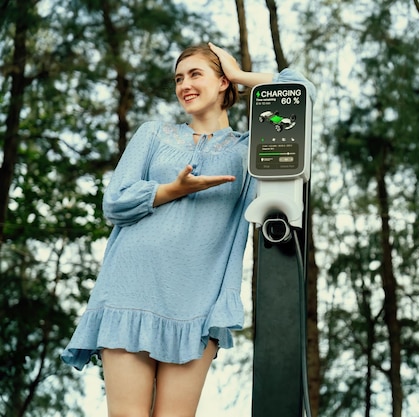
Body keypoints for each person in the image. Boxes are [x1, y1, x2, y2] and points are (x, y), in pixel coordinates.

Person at [61, 43, 316, 417]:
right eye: (179, 78)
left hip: (197, 305)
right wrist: (172, 190)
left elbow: (300, 93)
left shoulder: (251, 149)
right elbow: (114, 202)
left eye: (196, 74)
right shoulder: (153, 135)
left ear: (222, 81)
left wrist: (243, 75)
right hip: (130, 291)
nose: (185, 85)